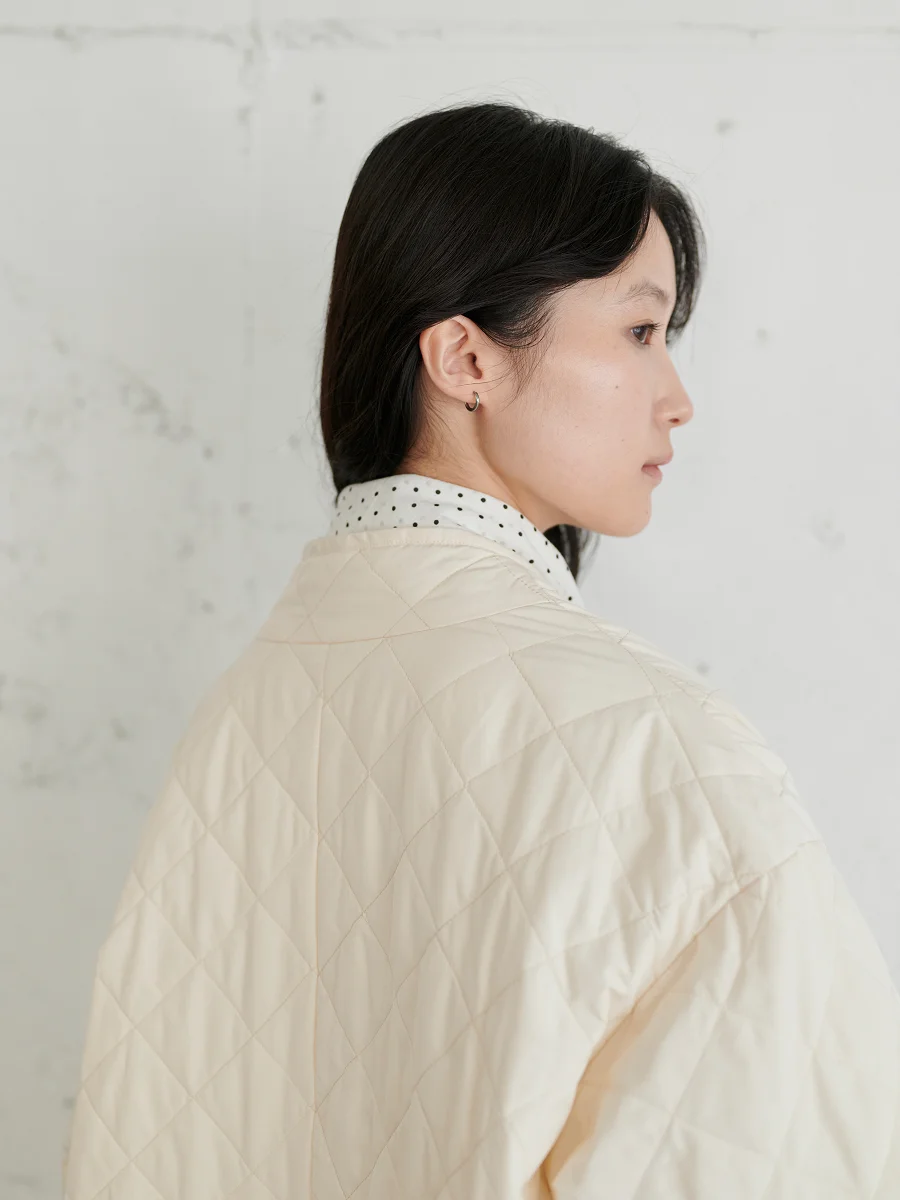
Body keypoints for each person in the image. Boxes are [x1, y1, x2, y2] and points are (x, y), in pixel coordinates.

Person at [63, 100, 900, 1199]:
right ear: (466, 358)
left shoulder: (239, 725)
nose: (678, 398)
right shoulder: (661, 754)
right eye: (640, 332)